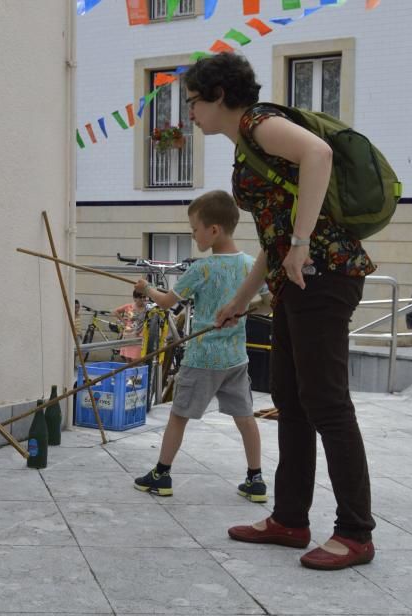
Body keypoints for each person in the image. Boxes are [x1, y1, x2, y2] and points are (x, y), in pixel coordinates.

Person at [188, 52, 377, 570]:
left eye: (194, 102)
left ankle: (356, 533)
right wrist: (241, 299)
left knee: (327, 403)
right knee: (292, 400)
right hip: (295, 280)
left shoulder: (260, 123)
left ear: (219, 96)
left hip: (323, 275)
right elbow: (273, 231)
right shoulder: (249, 142)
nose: (191, 114)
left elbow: (319, 155)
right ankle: (290, 519)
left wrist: (301, 242)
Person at [132, 191, 264, 503]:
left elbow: (166, 302)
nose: (193, 235)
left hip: (202, 356)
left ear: (213, 230)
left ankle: (162, 474)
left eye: (194, 229)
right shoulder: (250, 265)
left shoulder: (201, 269)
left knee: (179, 415)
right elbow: (265, 303)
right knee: (245, 418)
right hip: (236, 358)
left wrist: (145, 287)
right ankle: (255, 479)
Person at [113, 291, 147, 361]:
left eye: (144, 297)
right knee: (128, 358)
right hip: (129, 334)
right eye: (140, 297)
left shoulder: (148, 308)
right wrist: (124, 322)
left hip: (141, 335)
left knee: (136, 358)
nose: (143, 299)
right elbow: (116, 311)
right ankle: (130, 371)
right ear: (135, 298)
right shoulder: (129, 306)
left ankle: (135, 370)